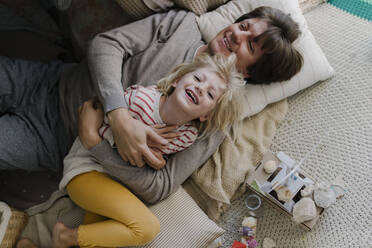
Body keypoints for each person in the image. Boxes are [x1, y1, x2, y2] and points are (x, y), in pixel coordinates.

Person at [1, 6, 302, 206]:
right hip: (48, 80)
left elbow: (160, 186)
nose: (237, 34)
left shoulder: (215, 119)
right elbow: (106, 44)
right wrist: (118, 115)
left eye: (250, 45)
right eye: (244, 25)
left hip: (52, 140)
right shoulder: (180, 25)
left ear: (250, 73)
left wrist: (96, 143)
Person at [25, 53, 241, 248]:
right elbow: (100, 122)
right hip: (87, 168)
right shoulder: (140, 100)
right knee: (146, 228)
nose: (201, 88)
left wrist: (156, 160)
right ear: (177, 81)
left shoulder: (187, 136)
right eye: (197, 79)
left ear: (206, 116)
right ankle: (64, 237)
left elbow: (158, 165)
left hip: (116, 184)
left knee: (95, 243)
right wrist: (138, 137)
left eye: (211, 95)